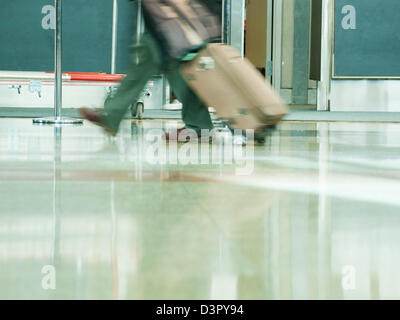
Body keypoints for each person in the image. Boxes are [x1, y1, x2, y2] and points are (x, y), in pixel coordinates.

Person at [79, 0, 221, 140]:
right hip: (168, 18)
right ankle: (199, 125)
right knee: (173, 65)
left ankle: (112, 115)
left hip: (171, 18)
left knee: (153, 59)